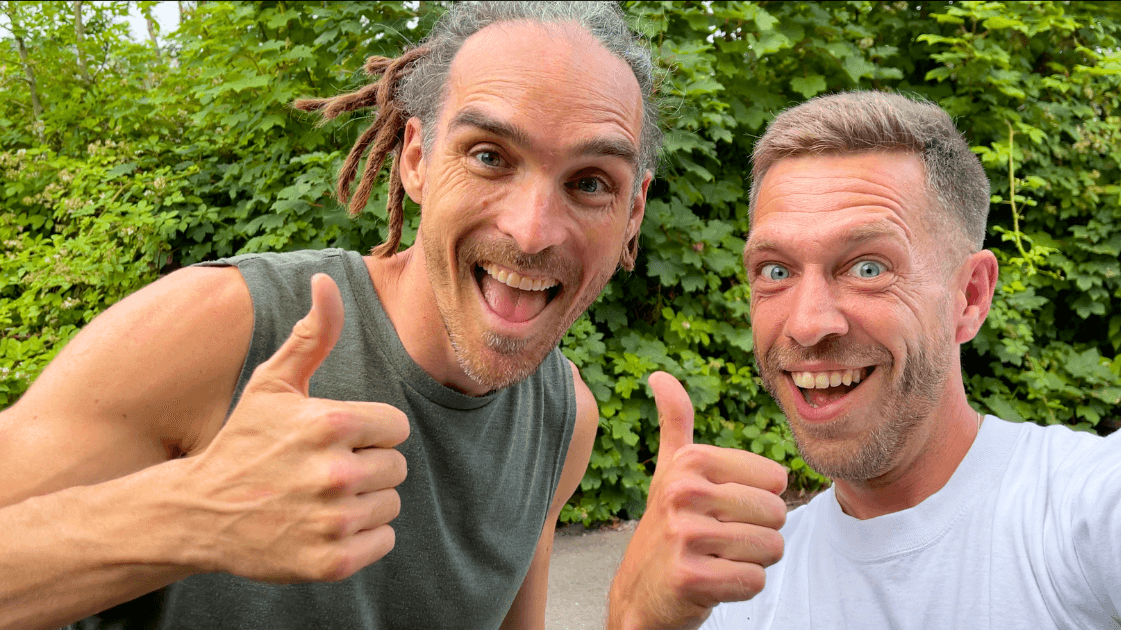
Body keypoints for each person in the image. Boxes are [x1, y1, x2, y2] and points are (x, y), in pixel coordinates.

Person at [0, 3, 661, 629]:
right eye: (489, 156)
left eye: (590, 182)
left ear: (632, 212)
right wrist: (195, 513)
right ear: (417, 160)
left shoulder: (564, 417)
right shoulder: (221, 327)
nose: (531, 231)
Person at [607, 91, 1121, 629]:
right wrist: (637, 619)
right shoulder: (734, 592)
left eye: (869, 268)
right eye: (776, 271)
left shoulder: (1086, 508)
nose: (807, 323)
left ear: (970, 297)